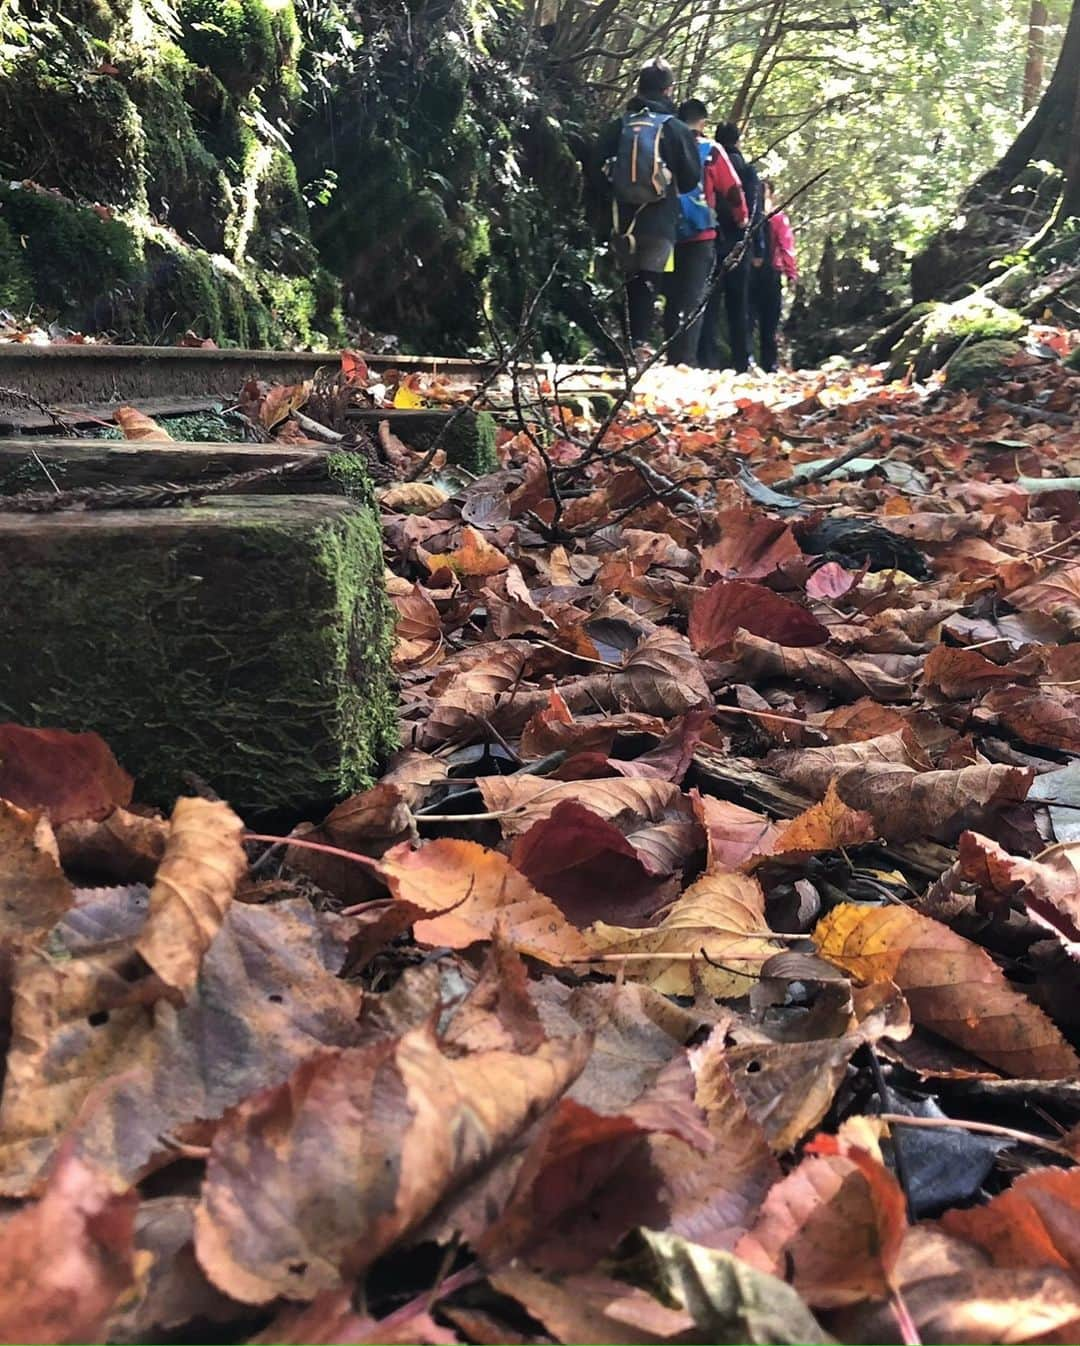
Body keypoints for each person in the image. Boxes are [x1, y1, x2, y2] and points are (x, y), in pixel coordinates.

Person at [596, 58, 700, 361]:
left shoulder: (619, 125)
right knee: (649, 279)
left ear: (638, 86)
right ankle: (638, 343)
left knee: (628, 279)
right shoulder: (677, 129)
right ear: (669, 90)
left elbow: (594, 167)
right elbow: (692, 179)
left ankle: (624, 343)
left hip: (621, 219)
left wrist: (615, 193)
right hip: (660, 218)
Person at [663, 99, 747, 366]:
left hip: (665, 232)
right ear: (702, 122)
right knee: (694, 298)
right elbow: (732, 189)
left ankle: (669, 356)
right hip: (700, 235)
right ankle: (685, 362)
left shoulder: (665, 144)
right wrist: (742, 218)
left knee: (671, 296)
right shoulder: (710, 149)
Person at [698, 121, 762, 373]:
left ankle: (706, 359)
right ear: (738, 141)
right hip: (739, 244)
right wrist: (756, 246)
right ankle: (741, 361)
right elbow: (754, 212)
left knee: (709, 302)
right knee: (738, 305)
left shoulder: (707, 160)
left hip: (710, 238)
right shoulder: (746, 170)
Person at [749, 179, 798, 372]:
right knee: (768, 323)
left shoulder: (749, 218)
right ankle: (769, 366)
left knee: (750, 319)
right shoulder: (778, 218)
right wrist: (791, 274)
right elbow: (787, 246)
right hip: (771, 274)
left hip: (752, 273)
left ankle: (749, 362)